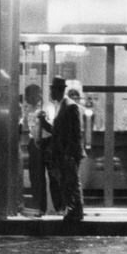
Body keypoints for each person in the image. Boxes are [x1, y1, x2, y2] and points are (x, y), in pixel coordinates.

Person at [49, 76, 84, 223]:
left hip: (68, 153)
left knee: (71, 182)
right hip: (64, 152)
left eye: (52, 89)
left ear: (59, 90)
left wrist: (69, 153)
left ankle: (76, 211)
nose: (51, 93)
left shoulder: (70, 106)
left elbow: (74, 133)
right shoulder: (62, 106)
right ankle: (72, 210)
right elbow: (59, 131)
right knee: (67, 182)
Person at [22, 82, 56, 216]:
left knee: (48, 176)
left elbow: (51, 127)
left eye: (28, 95)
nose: (26, 98)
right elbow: (25, 126)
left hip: (46, 143)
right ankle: (39, 206)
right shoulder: (28, 109)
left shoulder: (47, 107)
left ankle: (51, 206)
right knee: (35, 176)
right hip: (33, 143)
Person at [66, 84, 94, 195]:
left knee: (75, 173)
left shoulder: (83, 111)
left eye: (75, 96)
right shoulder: (69, 110)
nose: (74, 98)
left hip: (77, 144)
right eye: (71, 96)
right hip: (75, 144)